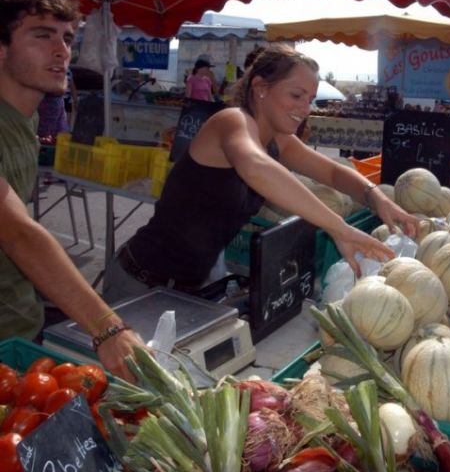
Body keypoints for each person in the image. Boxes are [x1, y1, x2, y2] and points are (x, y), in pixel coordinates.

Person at [103, 44, 419, 302]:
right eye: (296, 95)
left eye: (310, 99)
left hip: (189, 288)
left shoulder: (278, 140)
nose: (305, 108)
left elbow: (334, 174)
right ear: (260, 88)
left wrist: (377, 198)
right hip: (139, 282)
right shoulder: (231, 121)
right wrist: (339, 228)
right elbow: (256, 167)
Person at [0, 0, 143, 381]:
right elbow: (18, 233)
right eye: (42, 36)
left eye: (67, 37)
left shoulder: (24, 119)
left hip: (20, 326)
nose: (62, 50)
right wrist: (107, 327)